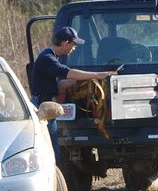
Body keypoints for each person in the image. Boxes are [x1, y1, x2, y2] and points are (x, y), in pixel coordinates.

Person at [30, 26, 117, 164]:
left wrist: (83, 80)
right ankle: (55, 179)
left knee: (52, 146)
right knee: (51, 148)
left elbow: (58, 84)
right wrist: (97, 75)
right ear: (65, 43)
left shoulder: (51, 57)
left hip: (47, 106)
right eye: (73, 44)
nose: (74, 48)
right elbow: (68, 72)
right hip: (43, 107)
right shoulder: (47, 58)